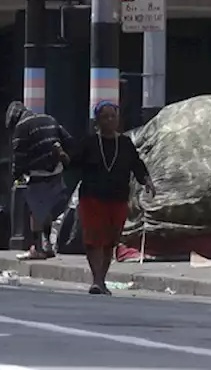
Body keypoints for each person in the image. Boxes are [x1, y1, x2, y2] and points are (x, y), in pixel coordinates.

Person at [64, 101, 155, 294]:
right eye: (105, 117)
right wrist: (62, 157)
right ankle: (96, 280)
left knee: (109, 241)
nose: (110, 120)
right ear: (97, 120)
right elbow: (72, 163)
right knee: (93, 239)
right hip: (92, 198)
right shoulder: (89, 143)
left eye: (113, 116)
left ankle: (101, 280)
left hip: (118, 197)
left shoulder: (125, 143)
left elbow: (136, 164)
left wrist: (147, 181)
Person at [6, 101, 73, 260]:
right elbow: (68, 139)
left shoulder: (21, 127)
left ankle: (37, 248)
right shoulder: (49, 118)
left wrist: (16, 176)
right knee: (46, 210)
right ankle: (48, 244)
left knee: (34, 211)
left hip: (37, 172)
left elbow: (19, 155)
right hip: (56, 170)